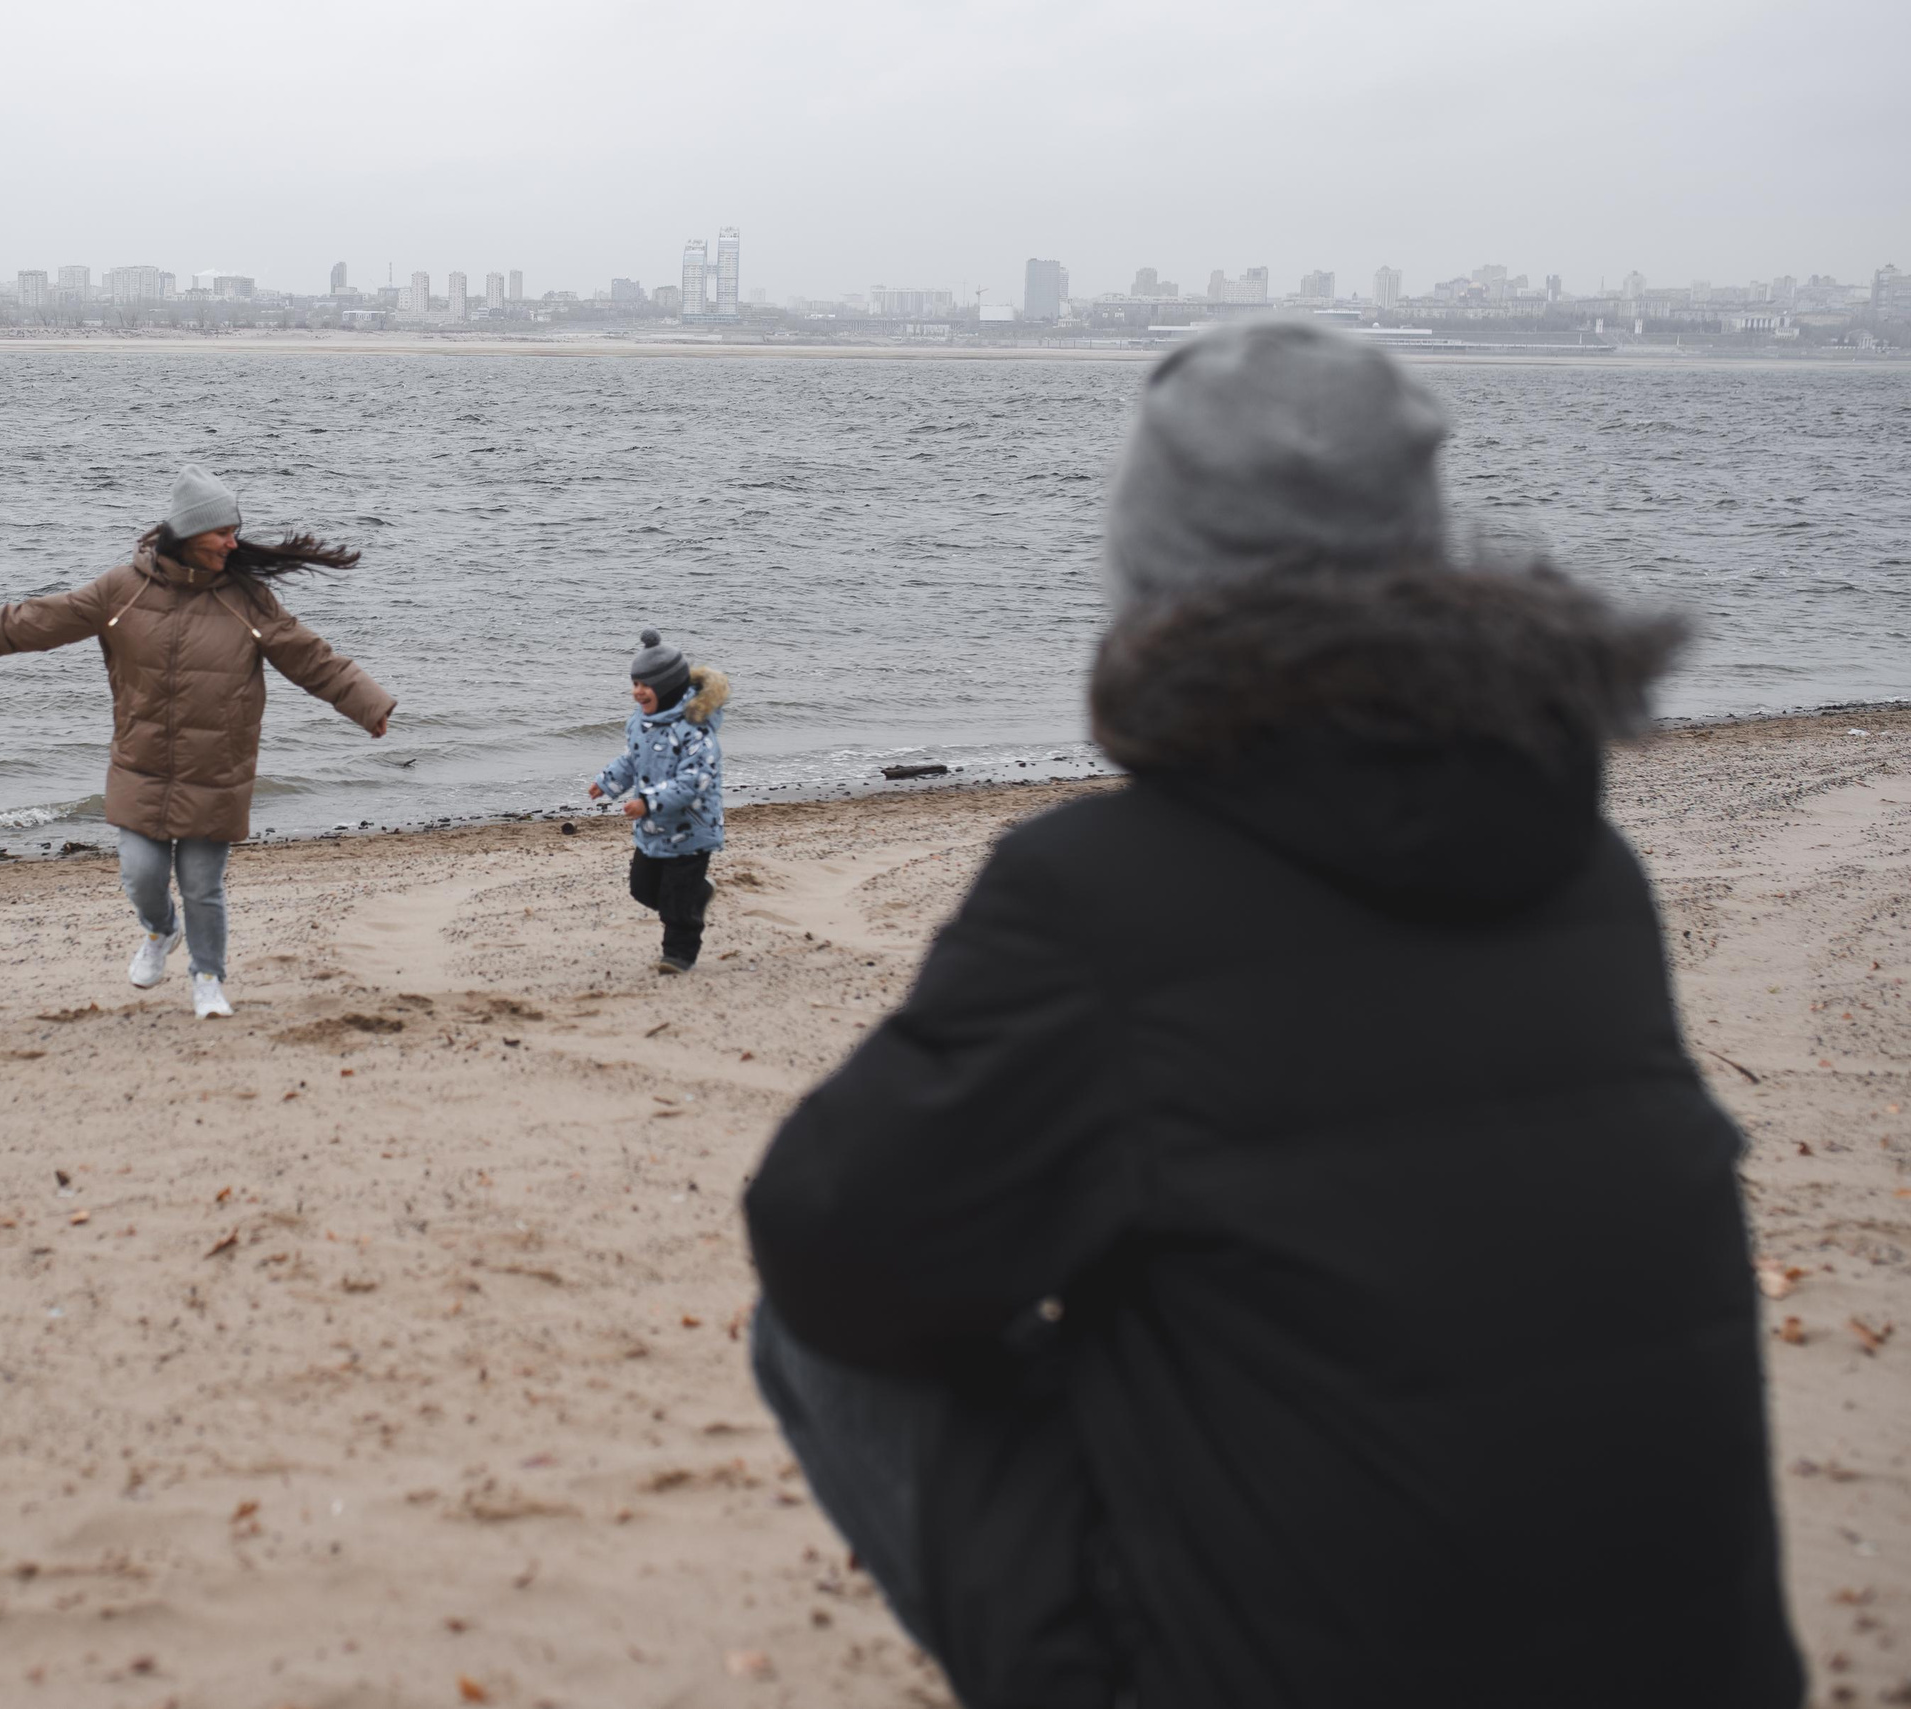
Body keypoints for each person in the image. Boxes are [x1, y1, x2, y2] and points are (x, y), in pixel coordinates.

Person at [742, 322, 1802, 1709]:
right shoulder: (1587, 870)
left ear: (1152, 578)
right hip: (1696, 1670)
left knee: (818, 1328)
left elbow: (827, 1242)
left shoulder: (1101, 893)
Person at [0, 466, 395, 1018]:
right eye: (222, 532)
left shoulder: (247, 599)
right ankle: (159, 932)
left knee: (203, 886)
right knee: (141, 874)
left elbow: (310, 657)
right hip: (141, 764)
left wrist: (367, 705)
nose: (233, 542)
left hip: (217, 770)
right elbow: (43, 618)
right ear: (188, 533)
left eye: (235, 531)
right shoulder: (122, 591)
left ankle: (208, 980)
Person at [588, 629, 729, 973]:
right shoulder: (640, 723)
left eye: (645, 684)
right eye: (635, 683)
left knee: (677, 902)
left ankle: (679, 955)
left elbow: (694, 781)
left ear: (667, 686)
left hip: (692, 831)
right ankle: (698, 893)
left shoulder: (694, 728)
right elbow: (632, 760)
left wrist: (647, 802)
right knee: (643, 888)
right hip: (652, 829)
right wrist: (607, 782)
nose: (637, 692)